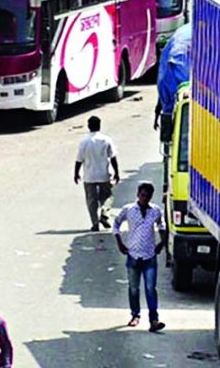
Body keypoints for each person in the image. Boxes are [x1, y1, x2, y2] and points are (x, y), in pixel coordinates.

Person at [113, 182, 167, 332]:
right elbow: (116, 224)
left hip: (149, 256)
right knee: (134, 288)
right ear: (138, 195)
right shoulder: (129, 210)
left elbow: (162, 226)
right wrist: (120, 243)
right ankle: (135, 315)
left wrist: (162, 242)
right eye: (143, 195)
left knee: (150, 288)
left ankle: (154, 320)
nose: (145, 198)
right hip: (133, 255)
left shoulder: (155, 211)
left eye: (148, 196)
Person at [75, 115, 120, 231]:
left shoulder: (84, 141)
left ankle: (95, 224)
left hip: (89, 176)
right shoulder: (106, 140)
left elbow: (79, 160)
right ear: (99, 126)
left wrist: (76, 173)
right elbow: (113, 158)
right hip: (104, 174)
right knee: (107, 196)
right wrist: (116, 172)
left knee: (91, 201)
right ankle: (105, 213)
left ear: (88, 126)